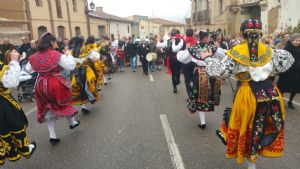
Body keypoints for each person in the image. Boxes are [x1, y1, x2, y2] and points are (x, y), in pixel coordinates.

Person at [179, 19, 294, 169]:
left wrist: (207, 57)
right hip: (270, 92)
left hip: (248, 93)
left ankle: (250, 163)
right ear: (260, 34)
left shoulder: (236, 52)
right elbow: (287, 61)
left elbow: (219, 72)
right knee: (263, 125)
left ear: (241, 34)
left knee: (246, 126)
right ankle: (253, 159)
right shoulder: (269, 51)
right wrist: (269, 54)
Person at [27, 32, 80, 145]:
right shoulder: (56, 54)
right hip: (55, 83)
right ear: (51, 42)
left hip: (40, 84)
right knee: (63, 103)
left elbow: (29, 69)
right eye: (55, 41)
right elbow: (70, 66)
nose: (56, 43)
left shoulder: (34, 56)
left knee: (47, 108)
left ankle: (53, 136)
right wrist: (69, 55)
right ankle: (72, 122)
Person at [177, 30, 221, 129]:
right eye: (208, 37)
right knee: (208, 96)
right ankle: (204, 120)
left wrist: (185, 50)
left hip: (199, 74)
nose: (209, 39)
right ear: (205, 38)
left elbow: (182, 59)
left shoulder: (193, 48)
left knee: (199, 96)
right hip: (210, 74)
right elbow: (223, 55)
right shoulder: (212, 48)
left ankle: (203, 122)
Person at [0, 49, 36, 166]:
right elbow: (11, 82)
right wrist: (14, 62)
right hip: (2, 103)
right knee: (14, 125)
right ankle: (23, 149)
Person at [71, 36, 104, 114]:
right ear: (82, 42)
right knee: (89, 85)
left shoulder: (73, 51)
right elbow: (96, 58)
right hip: (87, 70)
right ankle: (91, 98)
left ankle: (84, 107)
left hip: (76, 71)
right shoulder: (86, 49)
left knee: (80, 88)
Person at [158, 29, 185, 93]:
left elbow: (159, 45)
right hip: (178, 59)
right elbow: (183, 48)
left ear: (170, 34)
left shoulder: (168, 41)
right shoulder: (180, 40)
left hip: (171, 59)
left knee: (173, 73)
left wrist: (158, 41)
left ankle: (174, 87)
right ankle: (178, 80)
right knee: (178, 71)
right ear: (176, 34)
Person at [277, 33, 300, 109]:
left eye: (299, 41)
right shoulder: (287, 48)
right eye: (296, 40)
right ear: (292, 40)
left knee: (295, 88)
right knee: (282, 87)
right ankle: (280, 100)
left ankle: (290, 101)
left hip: (297, 72)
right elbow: (282, 60)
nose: (298, 42)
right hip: (287, 72)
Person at [182, 29, 197, 95]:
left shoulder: (183, 41)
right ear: (192, 34)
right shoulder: (195, 41)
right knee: (192, 77)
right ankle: (192, 90)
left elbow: (181, 52)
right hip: (193, 62)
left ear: (186, 34)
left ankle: (189, 93)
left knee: (186, 79)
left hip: (185, 62)